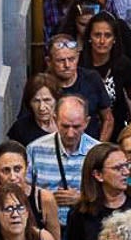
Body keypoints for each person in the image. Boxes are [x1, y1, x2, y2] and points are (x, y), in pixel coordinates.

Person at [28, 95, 101, 227]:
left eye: (76, 127)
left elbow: (110, 195)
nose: (70, 133)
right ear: (55, 120)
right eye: (65, 126)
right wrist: (45, 200)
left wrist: (82, 199)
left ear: (87, 122)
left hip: (85, 228)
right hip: (45, 227)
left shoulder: (97, 152)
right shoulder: (36, 149)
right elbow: (24, 190)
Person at [0, 138, 63, 240]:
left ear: (27, 167)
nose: (13, 177)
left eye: (17, 169)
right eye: (6, 170)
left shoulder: (44, 199)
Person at [7, 73, 62, 148]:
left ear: (56, 100)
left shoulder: (69, 124)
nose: (42, 107)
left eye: (47, 100)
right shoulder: (21, 129)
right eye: (36, 101)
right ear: (29, 103)